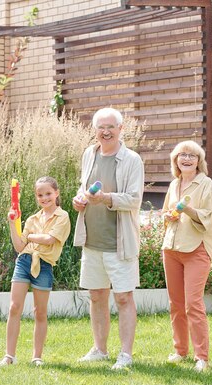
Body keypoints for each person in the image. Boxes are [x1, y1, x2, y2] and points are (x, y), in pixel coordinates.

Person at [73, 108, 144, 370]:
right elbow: (84, 187)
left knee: (123, 298)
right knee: (96, 296)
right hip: (92, 241)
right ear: (95, 130)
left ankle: (125, 354)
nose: (106, 132)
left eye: (111, 127)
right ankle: (100, 349)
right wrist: (80, 199)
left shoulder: (132, 160)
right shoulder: (89, 154)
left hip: (119, 242)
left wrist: (105, 198)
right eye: (101, 127)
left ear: (121, 129)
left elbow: (134, 199)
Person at [0, 176, 71, 366]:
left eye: (48, 193)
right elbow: (20, 246)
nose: (44, 198)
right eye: (40, 195)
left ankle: (37, 357)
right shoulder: (31, 219)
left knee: (40, 312)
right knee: (14, 307)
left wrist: (29, 236)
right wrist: (12, 223)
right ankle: (9, 356)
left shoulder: (62, 216)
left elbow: (49, 239)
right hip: (24, 261)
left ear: (56, 193)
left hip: (44, 264)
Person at [161, 140, 212, 372]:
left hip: (196, 249)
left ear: (199, 161)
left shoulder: (206, 185)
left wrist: (188, 210)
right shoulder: (174, 184)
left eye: (192, 156)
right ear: (176, 160)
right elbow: (166, 211)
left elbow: (208, 217)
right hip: (172, 249)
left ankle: (201, 357)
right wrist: (169, 215)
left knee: (193, 304)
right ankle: (180, 350)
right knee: (176, 304)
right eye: (182, 155)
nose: (186, 159)